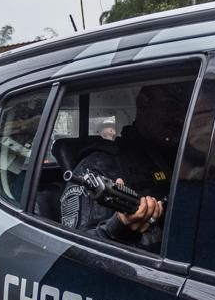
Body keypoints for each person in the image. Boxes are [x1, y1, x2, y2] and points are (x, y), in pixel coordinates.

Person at [60, 81, 190, 253]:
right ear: (143, 103)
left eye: (185, 106)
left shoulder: (183, 159)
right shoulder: (99, 167)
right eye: (172, 103)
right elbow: (73, 250)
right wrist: (120, 226)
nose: (180, 115)